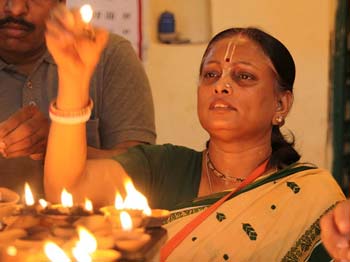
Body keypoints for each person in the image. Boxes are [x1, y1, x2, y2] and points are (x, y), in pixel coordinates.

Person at [43, 5, 345, 260]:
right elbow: (65, 189)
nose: (221, 85)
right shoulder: (162, 167)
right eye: (211, 74)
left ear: (281, 104)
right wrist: (73, 79)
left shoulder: (314, 195)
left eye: (243, 76)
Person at [0, 0, 156, 195]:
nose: (15, 9)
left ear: (61, 4)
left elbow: (143, 171)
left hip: (91, 223)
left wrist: (61, 142)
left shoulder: (104, 55)